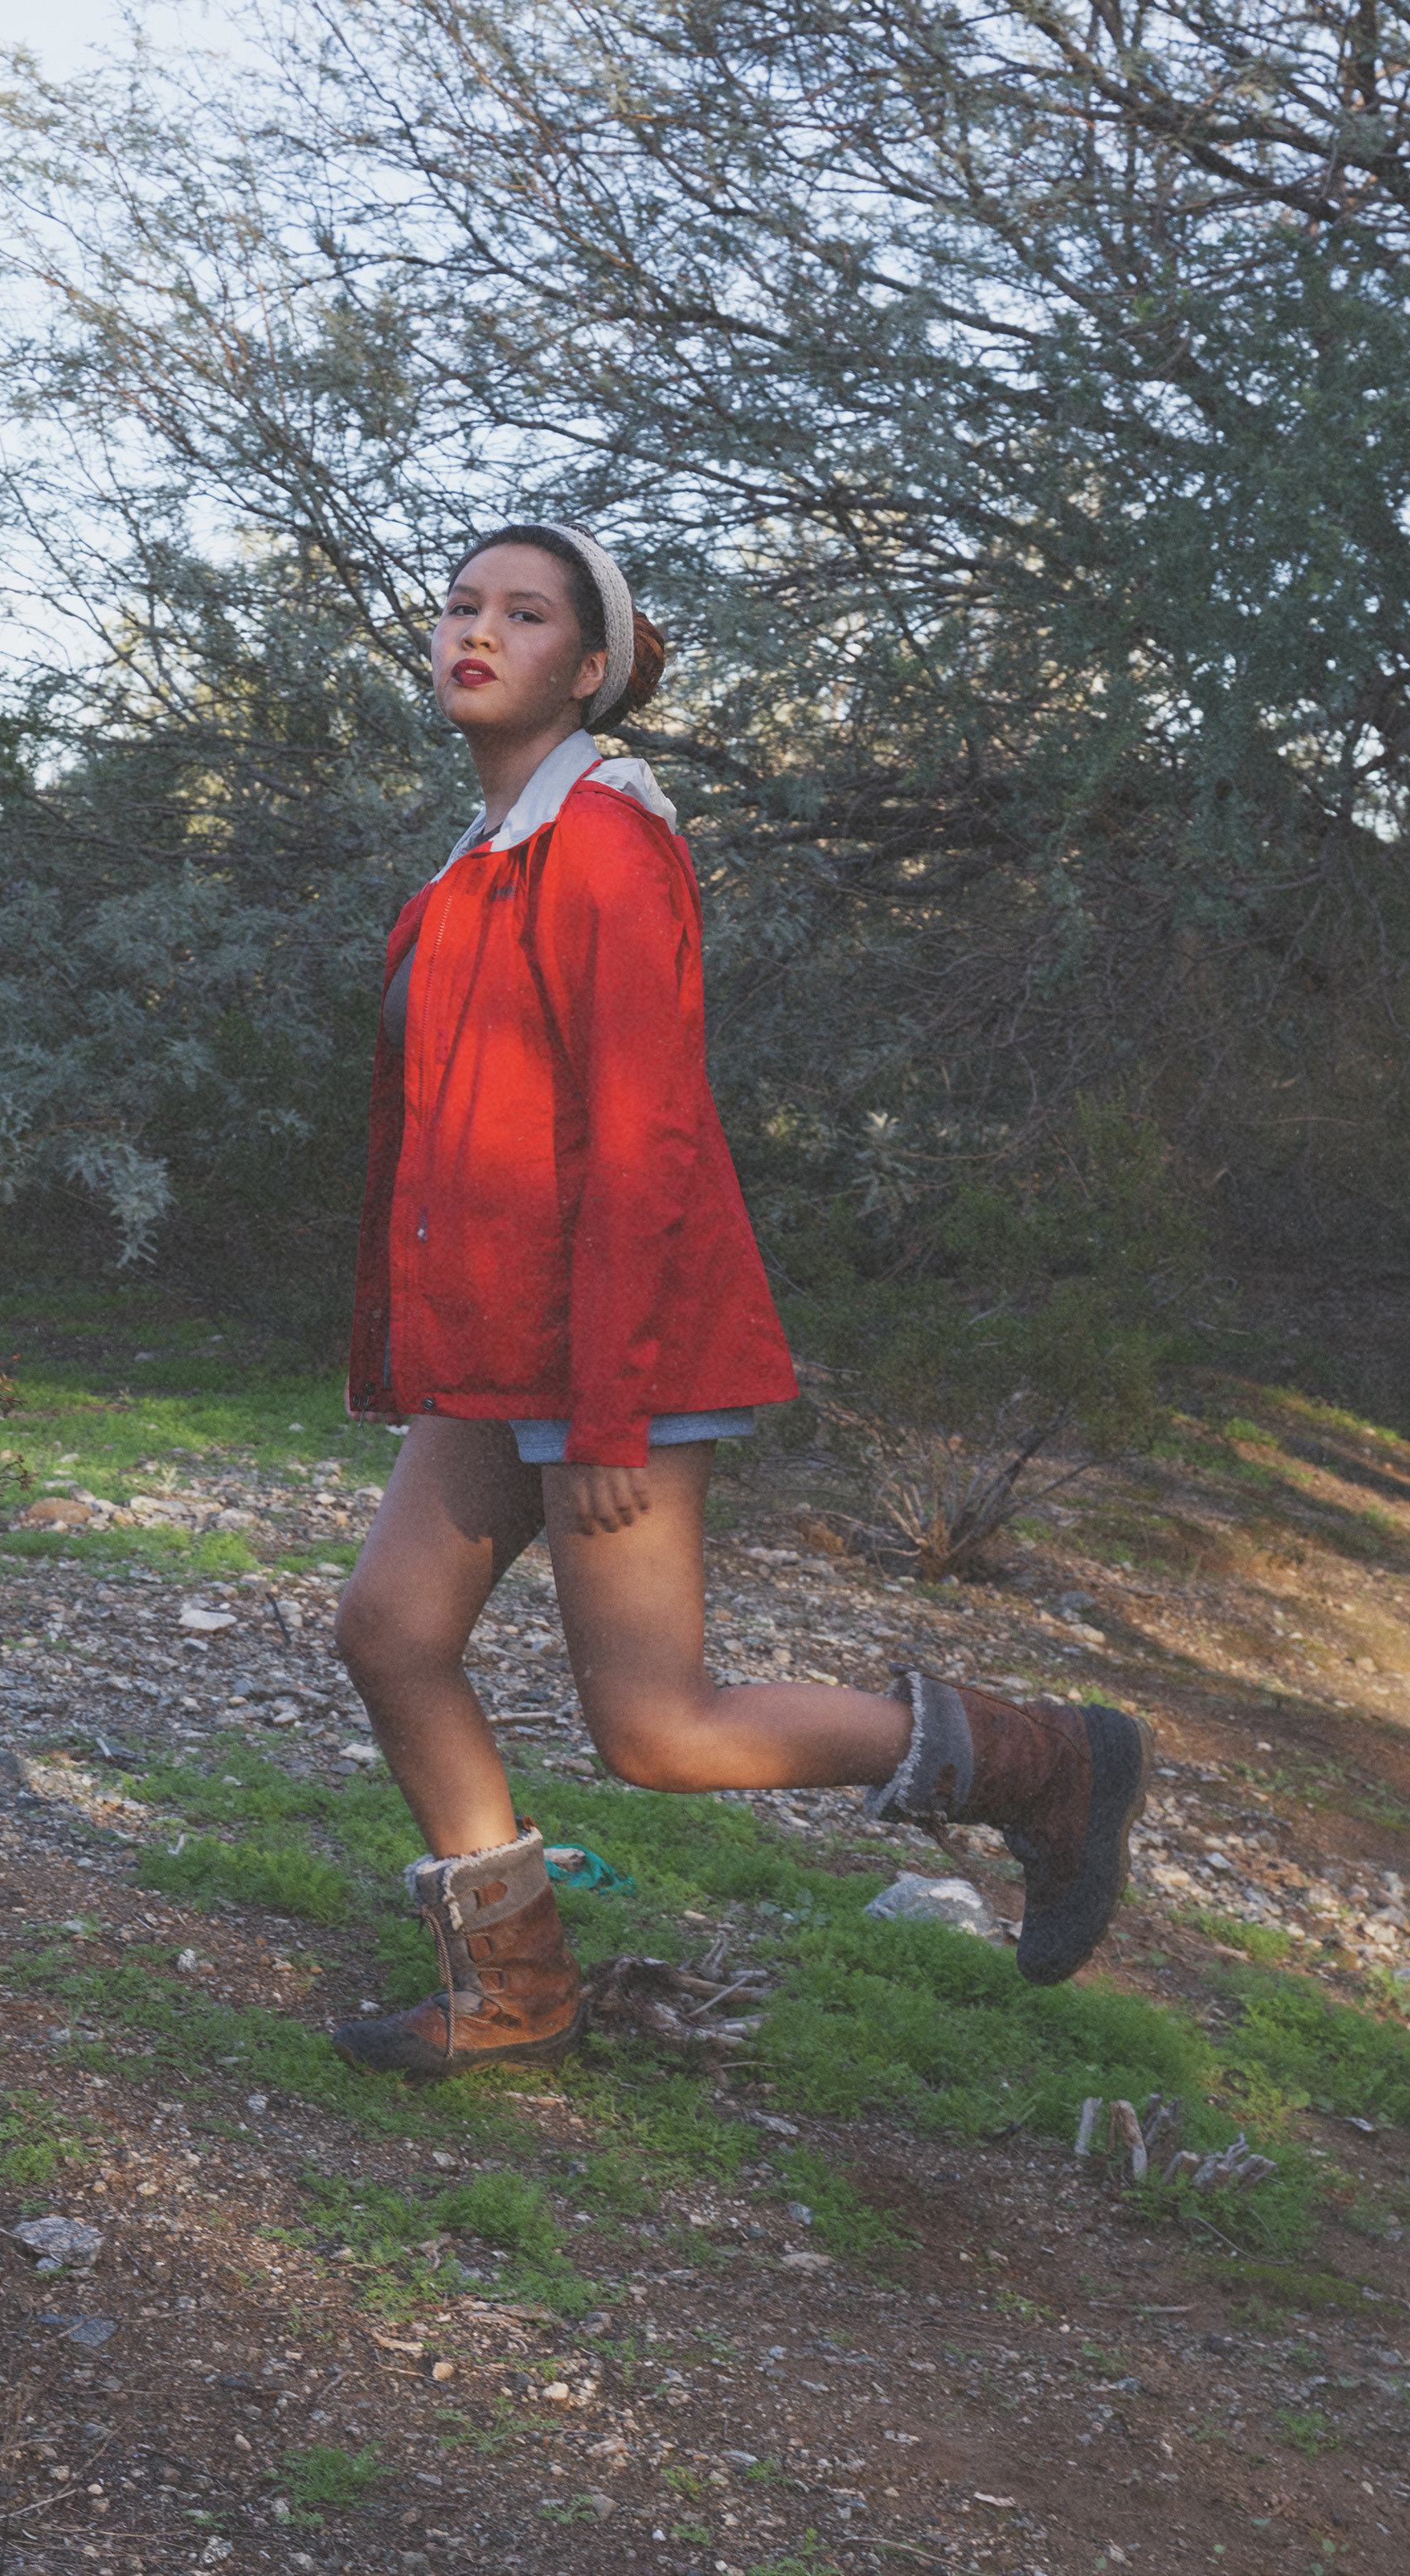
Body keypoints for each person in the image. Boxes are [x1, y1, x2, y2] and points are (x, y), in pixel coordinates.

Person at [332, 522, 1153, 2080]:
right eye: (459, 605)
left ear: (589, 666)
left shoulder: (603, 845)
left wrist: (610, 1409)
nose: (476, 632)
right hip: (512, 1346)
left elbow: (643, 1140)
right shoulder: (481, 857)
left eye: (524, 614)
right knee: (390, 1631)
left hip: (615, 1345)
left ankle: (1049, 1760)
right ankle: (514, 1987)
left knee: (659, 1729)